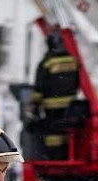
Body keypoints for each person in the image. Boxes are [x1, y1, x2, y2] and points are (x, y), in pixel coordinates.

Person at [28, 32, 80, 160]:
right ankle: (66, 155)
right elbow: (78, 81)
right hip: (71, 105)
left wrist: (34, 105)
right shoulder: (73, 60)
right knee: (67, 131)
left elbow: (40, 86)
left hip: (51, 105)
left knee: (52, 133)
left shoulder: (47, 62)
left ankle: (54, 156)